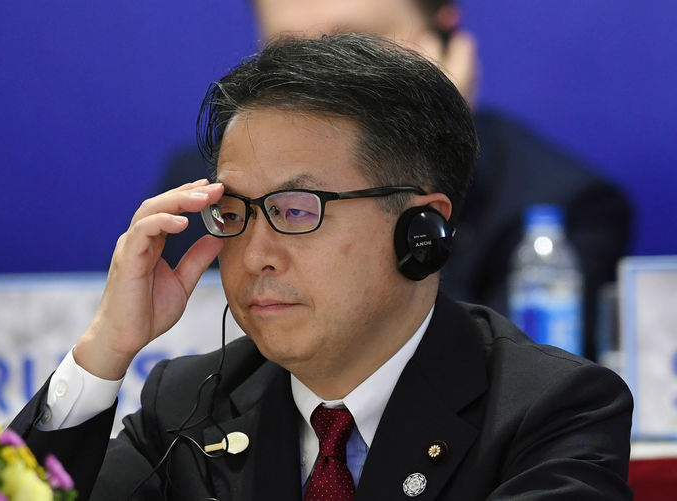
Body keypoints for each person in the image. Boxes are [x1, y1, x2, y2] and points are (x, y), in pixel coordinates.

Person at [11, 34, 633, 500]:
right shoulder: (191, 405)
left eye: (294, 209)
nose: (255, 254)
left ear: (422, 231)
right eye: (234, 211)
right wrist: (103, 352)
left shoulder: (550, 409)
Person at [161, 0, 633, 360]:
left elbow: (504, 387)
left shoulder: (561, 200)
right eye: (293, 52)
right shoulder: (201, 185)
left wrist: (429, 152)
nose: (325, 80)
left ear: (445, 40)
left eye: (360, 42)